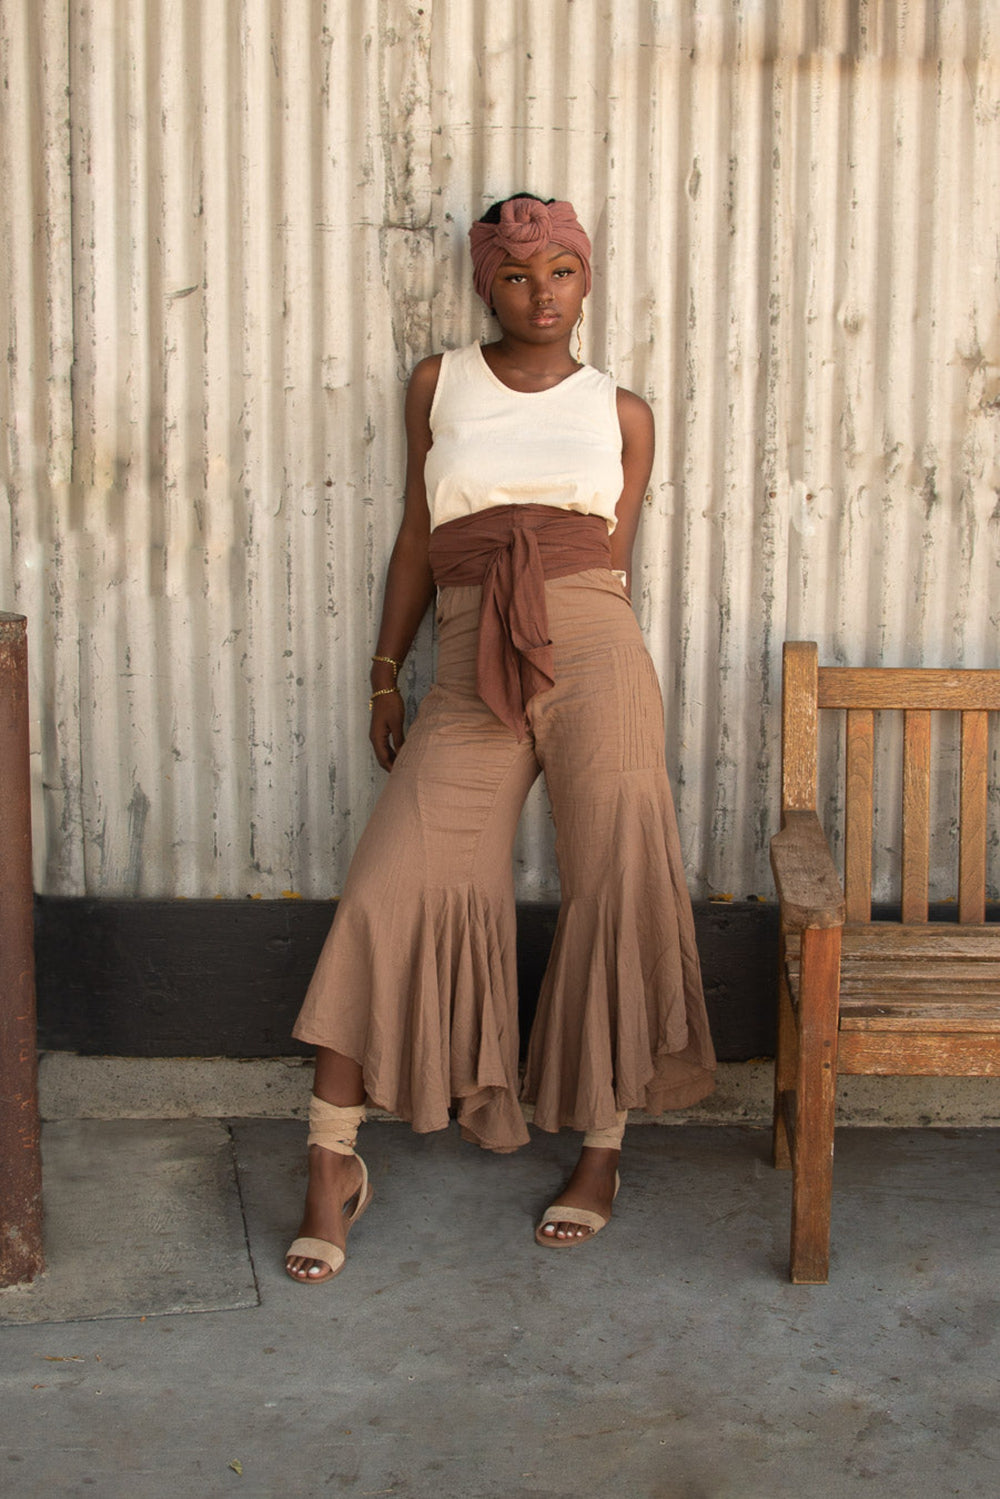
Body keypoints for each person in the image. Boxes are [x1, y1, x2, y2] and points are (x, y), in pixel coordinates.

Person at [285, 193, 716, 1283]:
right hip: (472, 644)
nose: (542, 292)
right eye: (518, 274)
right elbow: (420, 534)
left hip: (593, 643)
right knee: (393, 881)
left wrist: (578, 634)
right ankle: (331, 1161)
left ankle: (602, 1149)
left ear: (587, 281)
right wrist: (387, 670)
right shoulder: (440, 381)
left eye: (562, 270)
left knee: (617, 878)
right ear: (488, 282)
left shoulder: (624, 411)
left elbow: (608, 556)